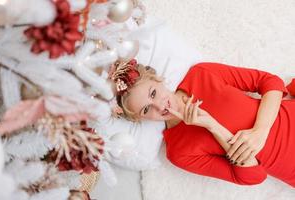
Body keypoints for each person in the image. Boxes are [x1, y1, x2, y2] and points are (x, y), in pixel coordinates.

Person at [109, 59, 295, 187]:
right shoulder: (179, 152)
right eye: (146, 109)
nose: (159, 106)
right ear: (140, 119)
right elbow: (254, 177)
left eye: (153, 93)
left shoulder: (201, 74)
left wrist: (260, 131)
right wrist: (212, 126)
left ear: (158, 80)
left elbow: (270, 82)